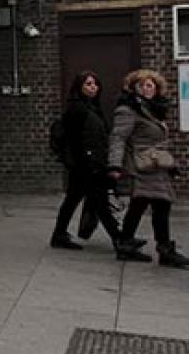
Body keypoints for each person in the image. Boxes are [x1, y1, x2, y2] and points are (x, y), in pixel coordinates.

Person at [49, 71, 147, 259]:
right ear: (79, 87)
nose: (93, 87)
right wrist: (87, 162)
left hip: (91, 163)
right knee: (100, 203)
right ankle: (119, 240)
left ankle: (59, 234)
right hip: (86, 166)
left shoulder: (92, 107)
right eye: (88, 84)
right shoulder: (77, 109)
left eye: (95, 84)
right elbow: (75, 140)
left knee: (74, 200)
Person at [109, 69, 189, 267]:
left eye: (151, 84)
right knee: (153, 204)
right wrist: (115, 165)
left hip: (156, 165)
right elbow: (118, 138)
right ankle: (161, 250)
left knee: (146, 204)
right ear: (134, 87)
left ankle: (130, 244)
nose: (148, 88)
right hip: (142, 165)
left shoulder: (153, 109)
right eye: (143, 84)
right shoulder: (128, 110)